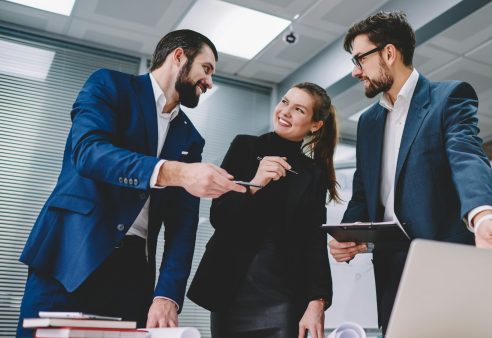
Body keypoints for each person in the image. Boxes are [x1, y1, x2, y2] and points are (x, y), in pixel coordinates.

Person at [17, 29, 246, 337]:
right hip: (69, 254)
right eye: (206, 68)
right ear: (179, 56)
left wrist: (167, 295)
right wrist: (175, 172)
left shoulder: (191, 139)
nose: (209, 81)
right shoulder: (109, 85)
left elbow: (183, 227)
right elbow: (89, 153)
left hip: (132, 275)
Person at [327, 11, 492, 333]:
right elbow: (364, 190)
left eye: (359, 59)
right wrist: (348, 234)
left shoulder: (448, 98)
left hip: (444, 262)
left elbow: (466, 156)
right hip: (390, 268)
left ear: (388, 53)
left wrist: (484, 216)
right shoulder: (369, 122)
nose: (355, 72)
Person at [187, 82, 338, 338]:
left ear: (315, 125)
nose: (285, 111)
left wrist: (318, 300)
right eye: (285, 102)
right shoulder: (244, 147)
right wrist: (254, 185)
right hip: (232, 289)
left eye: (299, 109)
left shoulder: (314, 173)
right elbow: (219, 217)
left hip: (285, 295)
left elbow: (314, 240)